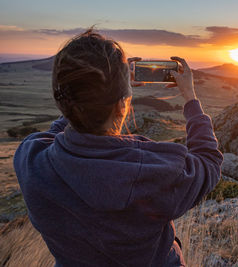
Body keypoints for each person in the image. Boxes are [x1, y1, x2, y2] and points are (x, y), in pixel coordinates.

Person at [13, 29, 223, 266]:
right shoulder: (154, 172)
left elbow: (58, 129)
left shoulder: (32, 162)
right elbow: (209, 162)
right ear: (121, 106)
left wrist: (106, 94)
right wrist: (191, 99)